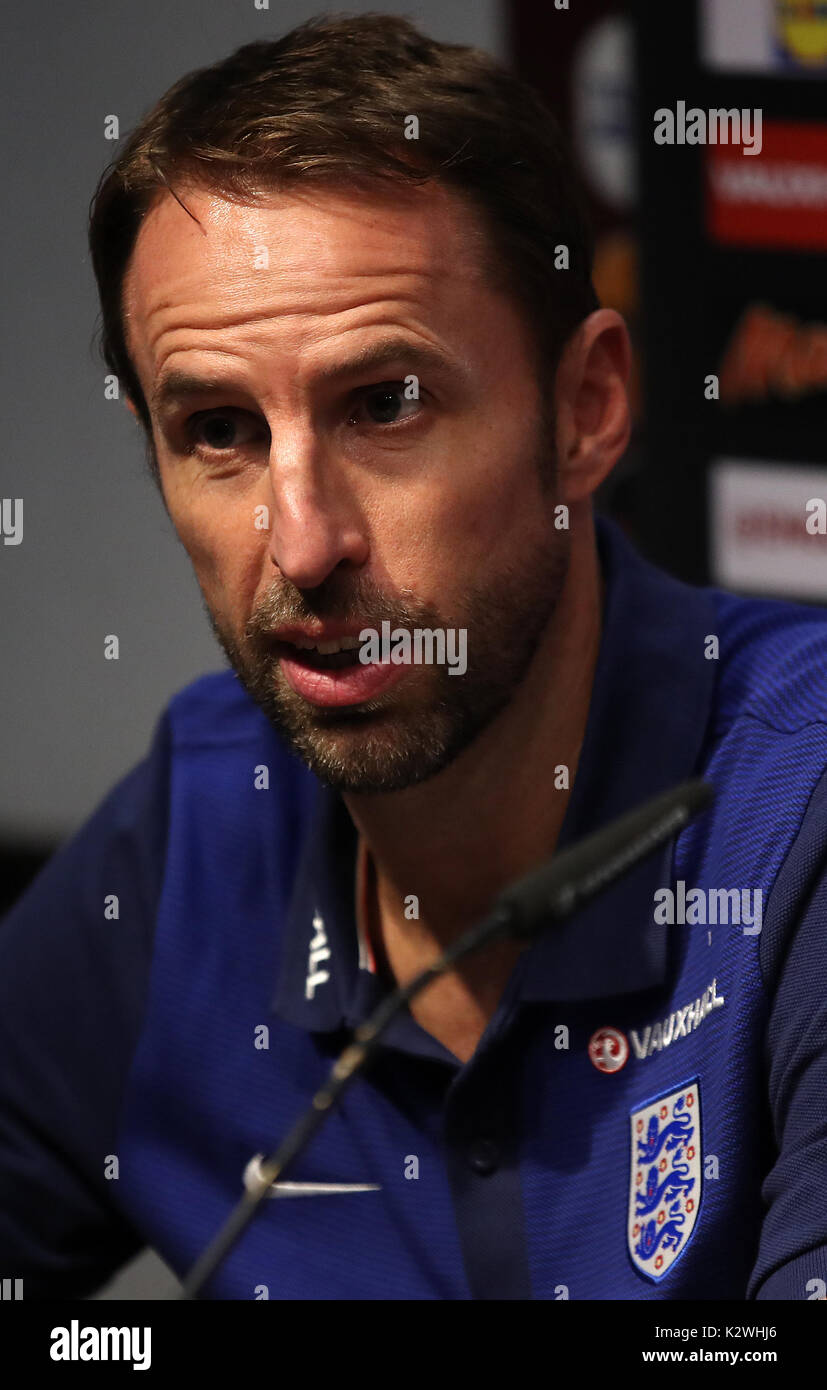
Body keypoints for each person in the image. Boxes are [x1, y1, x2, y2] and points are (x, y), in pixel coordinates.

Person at [2, 12, 826, 1301]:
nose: (305, 543)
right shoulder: (197, 833)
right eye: (217, 428)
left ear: (586, 410)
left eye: (386, 403)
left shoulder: (803, 811)